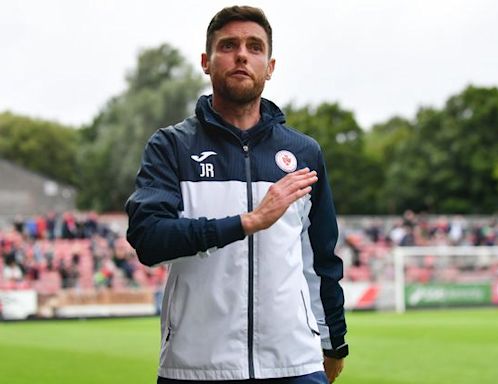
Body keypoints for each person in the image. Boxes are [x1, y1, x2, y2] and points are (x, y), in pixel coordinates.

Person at [125, 5, 348, 384]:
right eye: (228, 45)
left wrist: (334, 342)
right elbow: (149, 238)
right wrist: (247, 223)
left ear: (270, 66)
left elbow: (321, 258)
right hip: (195, 366)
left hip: (295, 363)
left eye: (254, 47)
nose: (242, 54)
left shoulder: (305, 153)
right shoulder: (171, 146)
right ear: (206, 62)